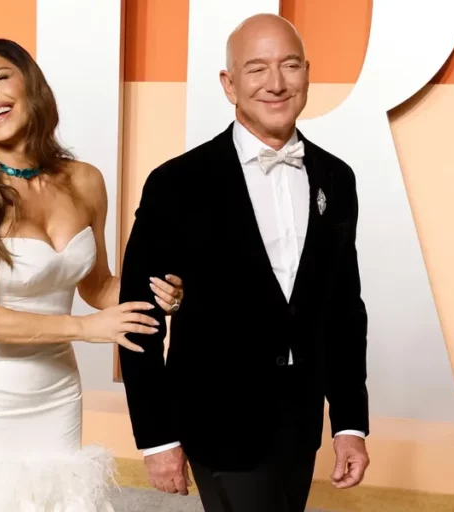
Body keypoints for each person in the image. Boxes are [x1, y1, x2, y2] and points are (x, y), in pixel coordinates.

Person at [0, 38, 185, 511]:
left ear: (31, 86)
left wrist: (160, 294)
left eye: (0, 78)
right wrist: (86, 329)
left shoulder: (86, 180)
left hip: (59, 390)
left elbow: (98, 285)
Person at [117, 13, 370, 512]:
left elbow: (344, 310)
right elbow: (139, 318)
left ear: (307, 75)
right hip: (217, 425)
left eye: (290, 65)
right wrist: (157, 437)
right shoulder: (176, 183)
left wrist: (349, 424)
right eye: (257, 69)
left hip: (300, 428)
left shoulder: (337, 178)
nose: (276, 83)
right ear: (229, 84)